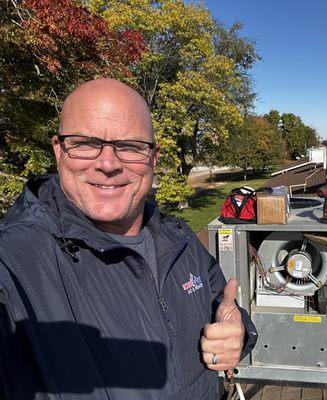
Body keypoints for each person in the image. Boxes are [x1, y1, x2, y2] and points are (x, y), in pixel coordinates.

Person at [0, 78, 257, 399]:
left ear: (152, 157)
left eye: (131, 146)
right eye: (84, 143)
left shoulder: (178, 237)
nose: (108, 163)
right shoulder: (13, 263)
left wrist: (240, 333)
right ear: (59, 151)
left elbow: (222, 305)